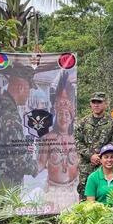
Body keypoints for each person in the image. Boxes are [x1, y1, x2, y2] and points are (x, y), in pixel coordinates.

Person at [37, 73, 81, 213]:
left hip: (74, 189)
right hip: (53, 190)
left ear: (71, 118)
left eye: (67, 114)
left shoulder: (77, 137)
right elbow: (40, 164)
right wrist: (22, 167)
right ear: (56, 116)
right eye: (60, 114)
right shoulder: (48, 138)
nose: (64, 118)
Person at [0, 64, 37, 188]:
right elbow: (19, 161)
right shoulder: (9, 113)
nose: (28, 95)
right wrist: (37, 166)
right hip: (7, 180)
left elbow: (7, 143)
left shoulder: (0, 105)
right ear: (21, 87)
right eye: (28, 90)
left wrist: (23, 145)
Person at [74, 92, 113, 197]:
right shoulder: (82, 122)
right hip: (87, 166)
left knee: (108, 194)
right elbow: (77, 140)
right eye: (94, 102)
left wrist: (102, 157)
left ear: (105, 104)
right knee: (85, 194)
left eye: (99, 102)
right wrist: (90, 155)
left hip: (107, 165)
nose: (96, 105)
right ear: (90, 104)